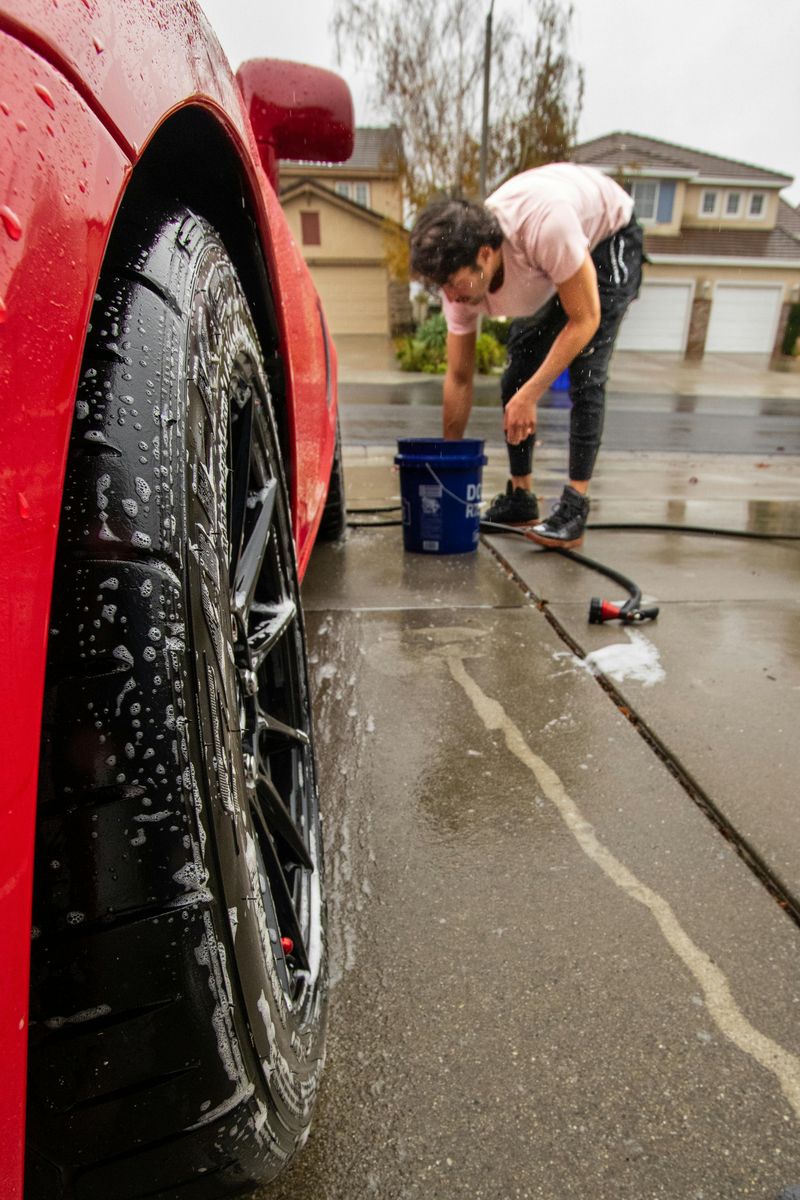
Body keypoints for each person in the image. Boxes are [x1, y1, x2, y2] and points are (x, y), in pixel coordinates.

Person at [409, 163, 644, 547]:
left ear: (486, 254)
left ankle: (575, 504)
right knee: (516, 371)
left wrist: (532, 394)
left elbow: (584, 320)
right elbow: (459, 377)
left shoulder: (543, 226)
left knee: (586, 372)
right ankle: (522, 497)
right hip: (550, 259)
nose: (451, 297)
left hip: (608, 234)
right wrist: (448, 467)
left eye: (454, 285)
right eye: (443, 288)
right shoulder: (460, 280)